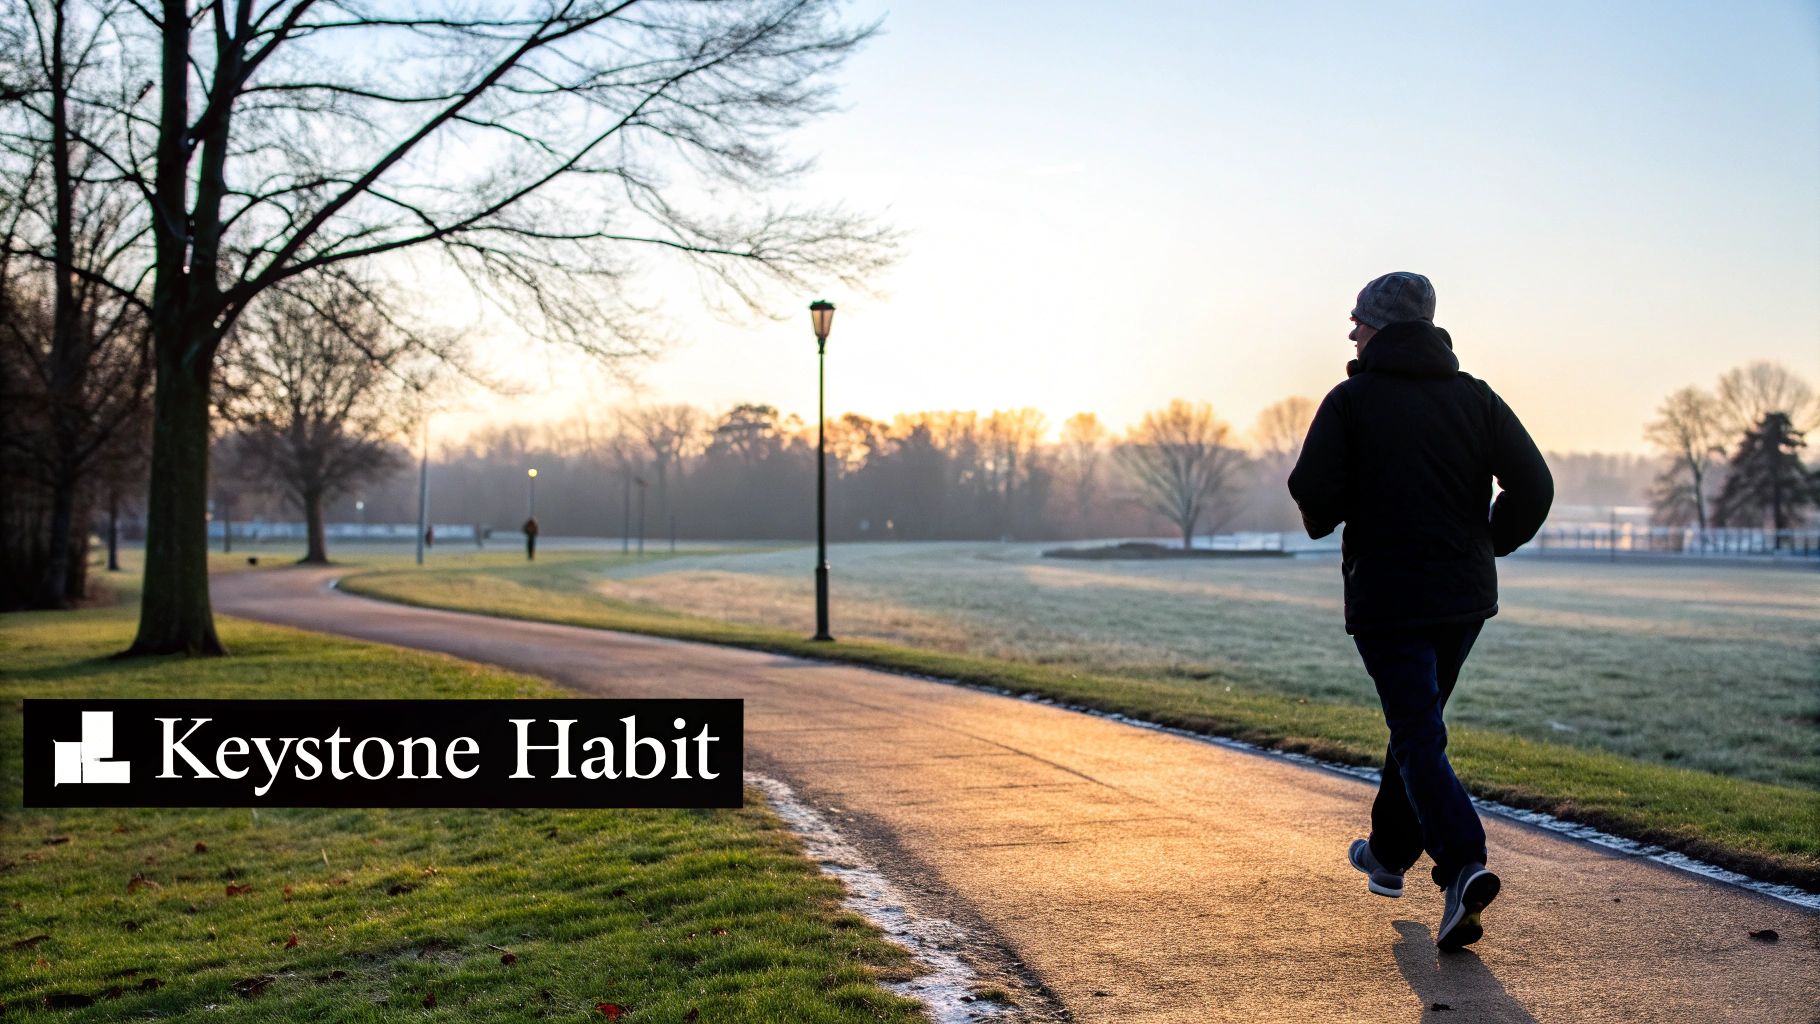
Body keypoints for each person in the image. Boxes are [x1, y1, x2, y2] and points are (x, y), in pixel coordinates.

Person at [1287, 271, 1552, 951]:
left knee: (1416, 732)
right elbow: (1535, 484)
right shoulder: (1476, 398)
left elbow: (1313, 488)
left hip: (1389, 596)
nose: (1351, 332)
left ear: (1379, 325)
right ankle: (1389, 853)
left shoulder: (1352, 400)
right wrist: (1488, 541)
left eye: (1357, 319)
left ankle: (1463, 864)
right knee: (1416, 728)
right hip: (1463, 598)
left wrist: (1336, 508)